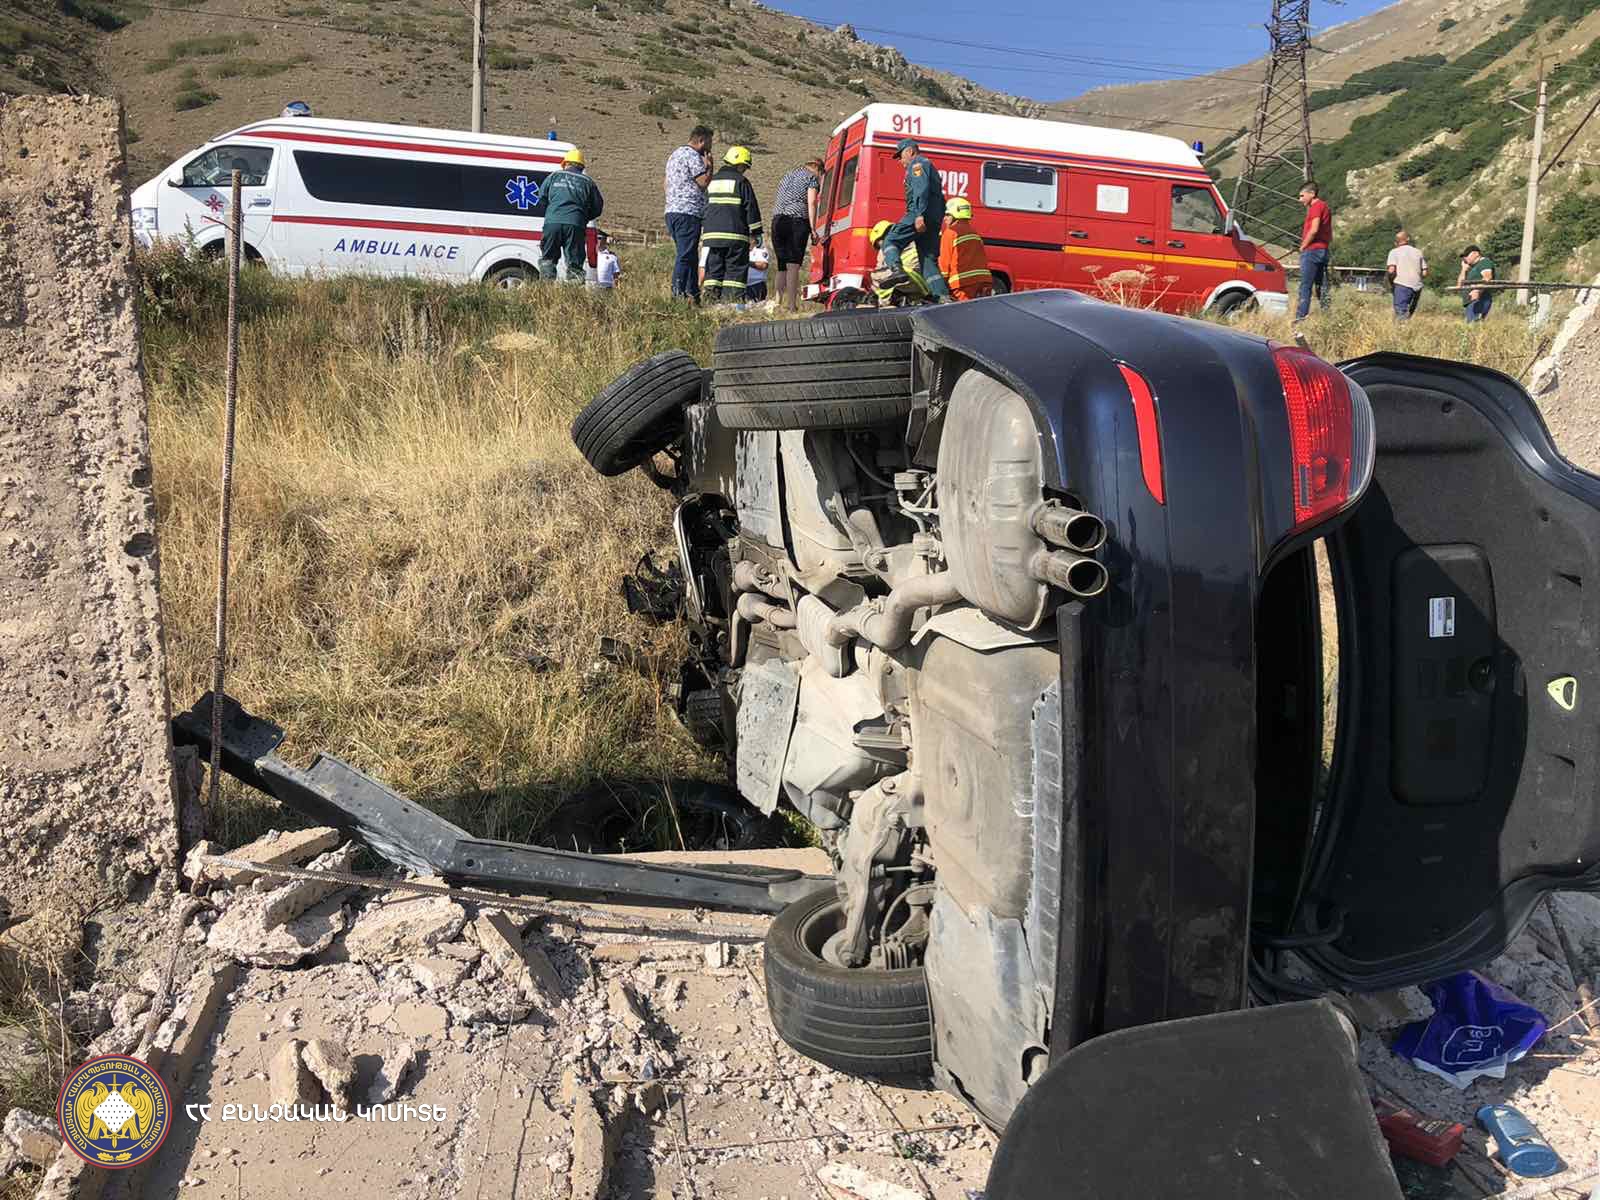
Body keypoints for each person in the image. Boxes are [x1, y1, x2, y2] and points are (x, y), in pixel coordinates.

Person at [879, 139, 951, 303]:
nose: (900, 161)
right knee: (927, 258)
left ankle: (897, 270)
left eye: (900, 156)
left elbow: (921, 189)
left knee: (890, 240)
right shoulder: (927, 165)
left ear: (910, 151)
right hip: (934, 218)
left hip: (920, 213)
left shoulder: (917, 164)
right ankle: (942, 297)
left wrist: (919, 214)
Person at [702, 145, 763, 304]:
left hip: (712, 237)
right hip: (735, 236)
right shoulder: (741, 181)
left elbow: (704, 206)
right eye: (745, 167)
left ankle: (710, 301)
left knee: (714, 269)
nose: (745, 170)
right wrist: (756, 233)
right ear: (740, 165)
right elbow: (751, 208)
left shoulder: (712, 181)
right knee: (735, 271)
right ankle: (732, 303)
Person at [663, 125, 715, 302]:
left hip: (672, 210)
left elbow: (665, 183)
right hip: (688, 212)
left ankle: (693, 293)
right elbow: (703, 182)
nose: (710, 146)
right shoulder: (692, 156)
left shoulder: (674, 155)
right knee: (685, 255)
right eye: (709, 142)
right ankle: (677, 294)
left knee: (690, 254)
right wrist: (710, 166)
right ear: (701, 140)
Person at [539, 148, 604, 282]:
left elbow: (542, 197)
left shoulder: (554, 176)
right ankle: (573, 291)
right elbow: (597, 208)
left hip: (552, 224)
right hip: (575, 225)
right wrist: (583, 217)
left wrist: (552, 212)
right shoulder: (588, 182)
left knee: (548, 260)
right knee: (575, 265)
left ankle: (546, 288)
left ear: (566, 163)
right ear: (581, 166)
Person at [772, 157, 822, 311]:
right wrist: (813, 228)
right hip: (796, 221)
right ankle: (792, 305)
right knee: (793, 265)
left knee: (782, 266)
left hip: (777, 221)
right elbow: (812, 203)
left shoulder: (788, 175)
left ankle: (777, 303)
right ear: (817, 168)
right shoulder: (811, 178)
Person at [938, 196, 992, 301]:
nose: (944, 218)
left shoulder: (951, 232)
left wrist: (939, 283)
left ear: (955, 215)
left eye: (947, 215)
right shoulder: (974, 233)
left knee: (962, 311)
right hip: (984, 280)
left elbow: (944, 262)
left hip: (963, 283)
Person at [1295, 180, 1332, 321]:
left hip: (1312, 251)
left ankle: (1300, 319)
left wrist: (1303, 246)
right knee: (1322, 286)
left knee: (1305, 286)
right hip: (1323, 250)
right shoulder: (1324, 206)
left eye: (1302, 196)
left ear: (1312, 193)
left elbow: (1314, 229)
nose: (1300, 199)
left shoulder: (1316, 207)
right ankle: (1326, 318)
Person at [869, 220, 927, 306]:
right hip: (920, 284)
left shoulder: (888, 247)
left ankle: (883, 302)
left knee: (876, 275)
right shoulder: (910, 239)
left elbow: (879, 270)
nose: (881, 247)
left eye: (878, 244)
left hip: (909, 277)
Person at [1385, 229, 1427, 321]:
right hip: (1417, 286)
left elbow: (1391, 271)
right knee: (1409, 314)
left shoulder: (1394, 252)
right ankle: (1406, 328)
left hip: (1402, 285)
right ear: (1407, 239)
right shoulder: (1418, 252)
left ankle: (1401, 329)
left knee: (1401, 313)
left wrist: (1391, 283)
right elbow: (1424, 272)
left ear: (1396, 242)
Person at [1458, 245, 1496, 322]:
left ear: (1476, 253)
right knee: (1473, 324)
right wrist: (1463, 270)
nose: (1465, 258)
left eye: (1467, 255)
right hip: (1471, 301)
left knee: (1473, 324)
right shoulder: (1472, 267)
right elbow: (1459, 285)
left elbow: (1487, 278)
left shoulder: (1484, 262)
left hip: (1480, 299)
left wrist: (1477, 291)